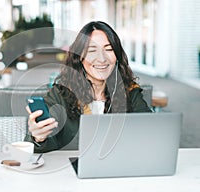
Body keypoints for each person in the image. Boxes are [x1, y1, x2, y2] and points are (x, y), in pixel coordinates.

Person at [24, 21, 152, 153]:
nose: (102, 59)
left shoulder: (130, 92)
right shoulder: (60, 93)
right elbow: (46, 143)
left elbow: (152, 130)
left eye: (108, 49)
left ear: (117, 56)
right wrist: (38, 138)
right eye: (92, 50)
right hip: (71, 170)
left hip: (118, 167)